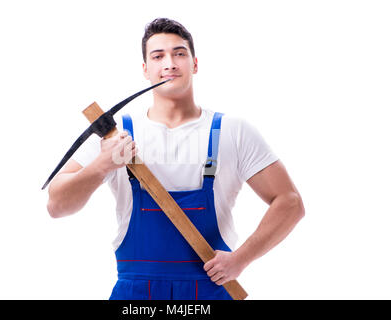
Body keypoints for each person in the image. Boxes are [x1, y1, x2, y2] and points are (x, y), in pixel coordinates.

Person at [46, 18, 305, 300]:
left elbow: (290, 203)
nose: (169, 63)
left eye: (179, 53)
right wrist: (102, 165)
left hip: (211, 290)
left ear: (195, 63)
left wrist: (241, 259)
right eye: (158, 56)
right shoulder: (115, 137)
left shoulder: (233, 131)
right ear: (145, 70)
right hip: (136, 296)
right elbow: (56, 205)